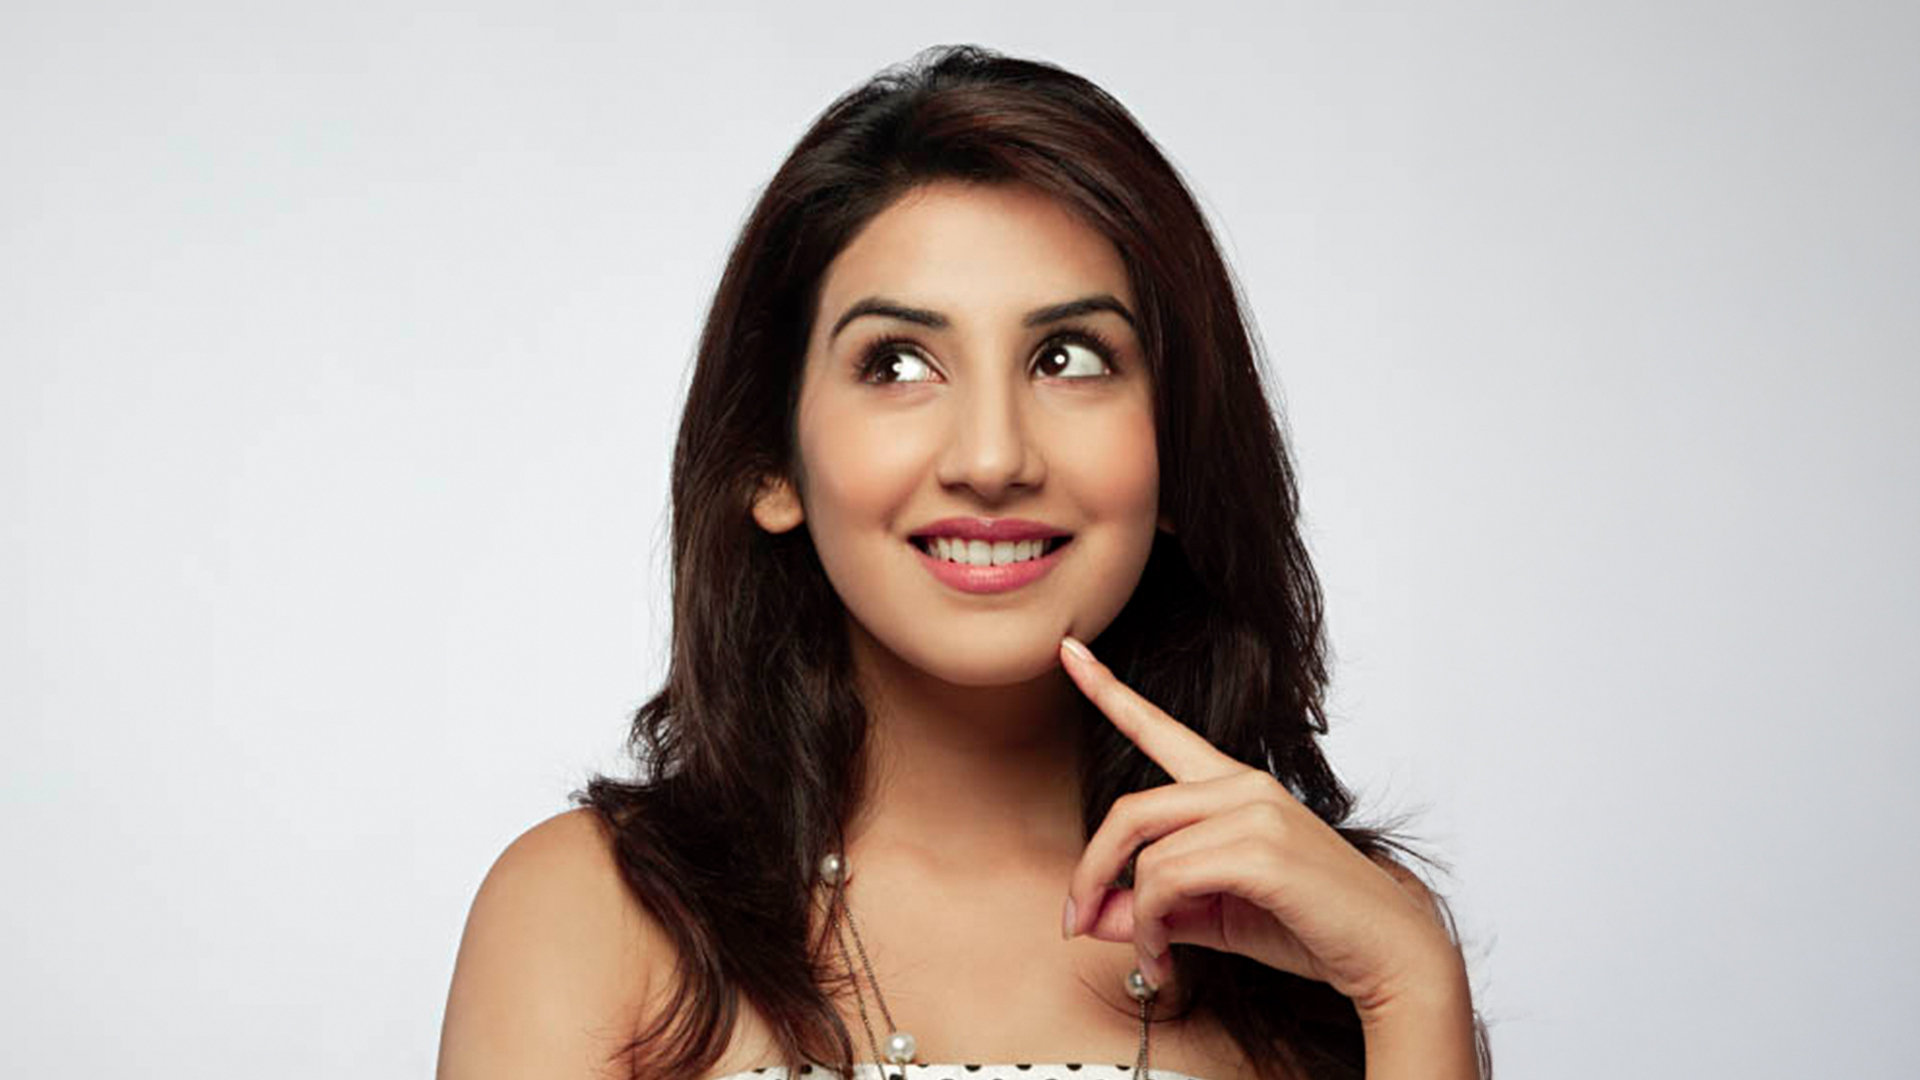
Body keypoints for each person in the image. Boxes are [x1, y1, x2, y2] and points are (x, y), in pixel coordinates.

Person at [437, 44, 1490, 1080]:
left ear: (1178, 451)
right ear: (772, 463)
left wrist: (1412, 988)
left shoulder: (1338, 938)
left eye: (1069, 358)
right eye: (898, 364)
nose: (993, 459)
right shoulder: (593, 914)